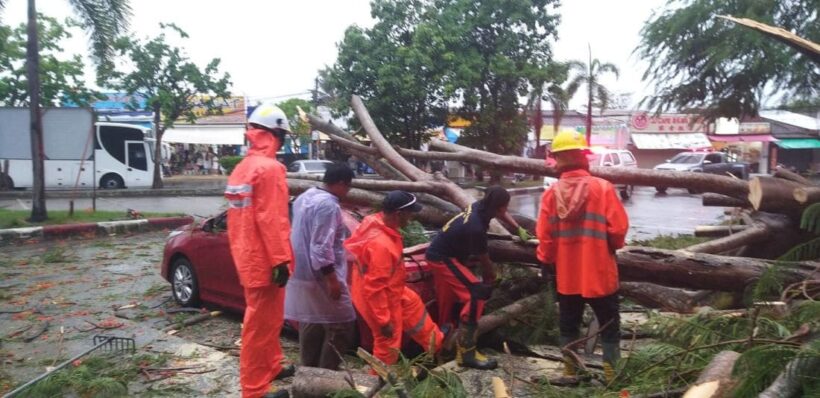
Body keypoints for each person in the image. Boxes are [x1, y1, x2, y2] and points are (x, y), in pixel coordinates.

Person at [535, 131, 628, 383]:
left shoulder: (550, 195)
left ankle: (570, 372)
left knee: (569, 324)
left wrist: (546, 260)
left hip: (567, 275)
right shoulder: (603, 188)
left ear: (557, 159)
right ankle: (611, 374)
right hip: (600, 273)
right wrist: (609, 246)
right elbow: (618, 231)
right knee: (609, 324)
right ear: (583, 157)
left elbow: (546, 238)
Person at [224, 102, 295, 398]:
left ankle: (272, 364)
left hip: (247, 253)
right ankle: (254, 390)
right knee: (259, 325)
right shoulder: (270, 169)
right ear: (276, 133)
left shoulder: (244, 168)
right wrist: (281, 260)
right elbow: (272, 218)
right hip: (266, 258)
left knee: (269, 318)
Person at [425, 186, 532, 370]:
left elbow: (503, 214)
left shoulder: (482, 206)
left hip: (445, 253)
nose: (505, 211)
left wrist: (518, 229)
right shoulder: (475, 226)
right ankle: (466, 353)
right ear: (499, 207)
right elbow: (485, 261)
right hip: (442, 258)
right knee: (477, 294)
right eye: (505, 207)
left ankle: (442, 347)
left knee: (448, 301)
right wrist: (492, 277)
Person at [345, 191, 444, 368]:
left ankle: (436, 345)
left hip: (391, 290)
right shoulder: (381, 245)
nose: (412, 218)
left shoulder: (378, 224)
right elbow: (375, 287)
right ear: (399, 214)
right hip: (378, 299)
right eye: (410, 213)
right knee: (388, 343)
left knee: (414, 306)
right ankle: (380, 383)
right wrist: (384, 321)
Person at [284, 163, 357, 370]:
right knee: (342, 324)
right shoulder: (328, 205)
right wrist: (332, 279)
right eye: (348, 187)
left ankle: (308, 371)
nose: (347, 192)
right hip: (321, 274)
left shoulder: (305, 196)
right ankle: (327, 374)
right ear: (341, 183)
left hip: (302, 271)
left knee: (313, 319)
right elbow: (321, 246)